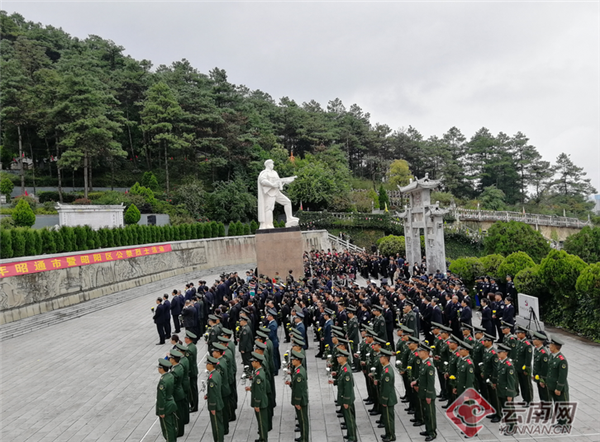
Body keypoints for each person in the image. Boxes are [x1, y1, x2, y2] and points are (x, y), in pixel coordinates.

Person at [257, 159, 298, 229]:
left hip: (276, 192)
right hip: (270, 193)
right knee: (269, 209)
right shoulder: (264, 173)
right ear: (268, 164)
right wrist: (272, 185)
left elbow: (279, 182)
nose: (273, 165)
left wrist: (286, 181)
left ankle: (289, 218)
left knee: (287, 202)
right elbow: (263, 181)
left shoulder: (274, 173)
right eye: (272, 164)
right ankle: (268, 225)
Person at [332, 348, 356, 442]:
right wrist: (335, 381)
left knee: (350, 419)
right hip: (344, 397)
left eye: (340, 357)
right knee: (347, 418)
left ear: (344, 358)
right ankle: (350, 434)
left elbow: (348, 387)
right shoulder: (343, 368)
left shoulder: (346, 371)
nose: (338, 359)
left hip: (347, 398)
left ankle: (353, 437)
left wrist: (346, 400)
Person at [414, 343, 437, 442]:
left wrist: (428, 395)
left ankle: (432, 432)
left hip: (428, 394)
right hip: (423, 392)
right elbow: (423, 377)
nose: (418, 353)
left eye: (420, 351)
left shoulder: (429, 366)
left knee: (430, 414)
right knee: (426, 413)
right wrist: (417, 381)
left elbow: (431, 382)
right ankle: (428, 429)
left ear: (426, 353)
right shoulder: (424, 363)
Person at [546, 335, 570, 429]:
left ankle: (565, 424)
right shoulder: (552, 356)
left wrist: (558, 388)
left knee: (563, 406)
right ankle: (560, 422)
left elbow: (562, 377)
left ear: (555, 346)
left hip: (559, 388)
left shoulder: (561, 360)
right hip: (552, 386)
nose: (549, 347)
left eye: (551, 345)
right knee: (557, 405)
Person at [246, 352, 269, 442]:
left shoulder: (259, 375)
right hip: (261, 400)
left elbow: (259, 391)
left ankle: (263, 439)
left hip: (260, 401)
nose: (252, 363)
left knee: (262, 422)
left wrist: (257, 404)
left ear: (257, 362)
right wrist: (251, 388)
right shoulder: (258, 372)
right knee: (260, 421)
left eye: (253, 362)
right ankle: (262, 437)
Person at [288, 350, 309, 442]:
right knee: (301, 420)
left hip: (301, 400)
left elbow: (299, 389)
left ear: (298, 361)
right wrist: (291, 383)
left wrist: (297, 401)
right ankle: (302, 436)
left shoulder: (299, 373)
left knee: (303, 420)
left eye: (293, 360)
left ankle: (304, 438)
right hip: (301, 399)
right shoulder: (298, 370)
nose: (292, 361)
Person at [496, 344, 517, 435]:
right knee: (505, 409)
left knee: (509, 410)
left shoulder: (509, 365)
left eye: (499, 352)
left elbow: (511, 381)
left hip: (506, 391)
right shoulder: (501, 362)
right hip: (501, 390)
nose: (498, 354)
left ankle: (512, 427)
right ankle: (508, 425)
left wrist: (510, 394)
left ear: (505, 353)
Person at [156, 358, 178, 442]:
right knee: (171, 426)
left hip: (166, 407)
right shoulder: (170, 376)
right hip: (171, 403)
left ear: (161, 369)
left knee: (167, 429)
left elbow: (161, 397)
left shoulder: (163, 381)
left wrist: (161, 411)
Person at [378, 348, 397, 442]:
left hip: (388, 398)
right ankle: (388, 433)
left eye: (381, 357)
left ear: (385, 358)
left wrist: (384, 399)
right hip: (387, 398)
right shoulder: (386, 369)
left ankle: (391, 435)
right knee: (386, 417)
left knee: (389, 418)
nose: (379, 359)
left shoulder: (387, 372)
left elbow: (387, 388)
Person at [168, 349, 188, 437]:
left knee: (178, 414)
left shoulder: (175, 370)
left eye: (170, 358)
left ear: (173, 359)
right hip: (179, 392)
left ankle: (179, 431)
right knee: (179, 412)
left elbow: (173, 384)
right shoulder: (178, 366)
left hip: (177, 394)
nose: (169, 359)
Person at [205, 354, 224, 442]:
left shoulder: (212, 378)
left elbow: (213, 393)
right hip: (219, 402)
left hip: (215, 404)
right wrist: (207, 395)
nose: (206, 365)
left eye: (207, 364)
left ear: (210, 365)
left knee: (216, 426)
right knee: (218, 423)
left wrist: (212, 406)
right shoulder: (216, 373)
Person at [514, 326, 533, 405]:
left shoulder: (527, 345)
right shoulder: (519, 342)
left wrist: (526, 369)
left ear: (524, 334)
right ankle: (524, 399)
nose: (517, 334)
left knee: (526, 385)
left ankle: (528, 400)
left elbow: (528, 359)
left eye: (519, 333)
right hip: (518, 367)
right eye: (517, 333)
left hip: (524, 367)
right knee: (521, 384)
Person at [531, 330, 550, 402]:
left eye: (534, 339)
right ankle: (543, 410)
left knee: (545, 396)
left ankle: (547, 412)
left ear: (540, 341)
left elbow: (545, 368)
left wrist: (543, 380)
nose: (533, 340)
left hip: (543, 378)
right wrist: (534, 374)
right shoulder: (536, 349)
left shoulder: (544, 353)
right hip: (538, 376)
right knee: (541, 395)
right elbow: (536, 364)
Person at [184, 331, 199, 413]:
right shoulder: (192, 346)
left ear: (188, 339)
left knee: (192, 390)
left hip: (191, 372)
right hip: (193, 370)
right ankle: (194, 405)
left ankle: (194, 406)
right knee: (193, 389)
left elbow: (188, 362)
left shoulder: (189, 349)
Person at [266, 309, 281, 375]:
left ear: (271, 317)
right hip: (274, 341)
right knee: (276, 355)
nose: (267, 317)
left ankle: (275, 370)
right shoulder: (271, 323)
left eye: (268, 316)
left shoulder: (273, 324)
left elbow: (271, 334)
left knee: (274, 356)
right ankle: (278, 366)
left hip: (273, 342)